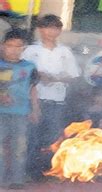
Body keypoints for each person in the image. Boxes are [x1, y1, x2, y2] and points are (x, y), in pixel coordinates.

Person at [22, 14, 81, 181]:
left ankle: (48, 170)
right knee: (32, 136)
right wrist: (40, 76)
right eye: (47, 27)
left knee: (52, 136)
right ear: (40, 29)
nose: (51, 31)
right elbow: (23, 73)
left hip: (57, 100)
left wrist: (56, 78)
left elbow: (74, 75)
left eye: (55, 28)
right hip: (35, 100)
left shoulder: (64, 52)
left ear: (60, 30)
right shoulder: (31, 50)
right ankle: (29, 171)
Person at [0, 29, 39, 189]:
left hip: (21, 113)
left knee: (20, 148)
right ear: (2, 46)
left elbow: (33, 89)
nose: (14, 49)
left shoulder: (30, 67)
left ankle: (17, 180)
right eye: (10, 45)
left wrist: (35, 109)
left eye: (19, 46)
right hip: (1, 114)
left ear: (24, 48)